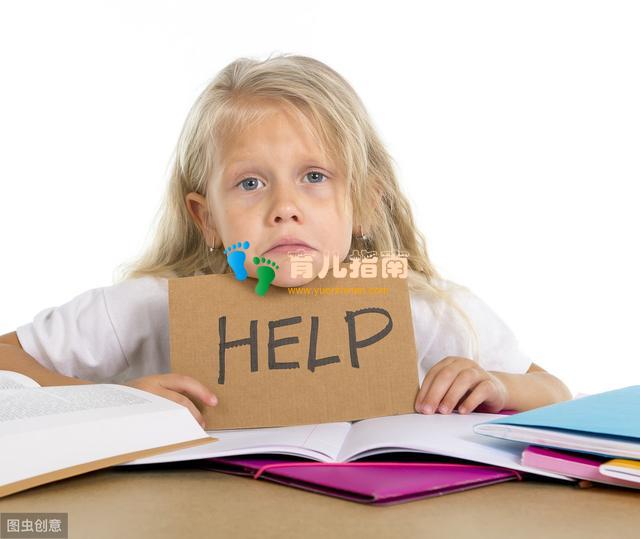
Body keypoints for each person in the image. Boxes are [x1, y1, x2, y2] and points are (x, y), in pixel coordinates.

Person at [0, 54, 572, 428]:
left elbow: (555, 391)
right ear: (206, 218)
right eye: (250, 183)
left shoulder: (425, 309)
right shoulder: (148, 308)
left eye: (315, 177)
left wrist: (498, 387)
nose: (284, 208)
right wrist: (116, 400)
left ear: (364, 204)